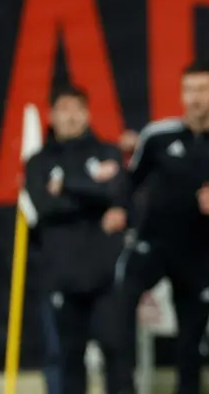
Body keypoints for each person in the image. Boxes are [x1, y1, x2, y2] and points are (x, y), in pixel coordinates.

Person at [121, 62, 209, 394]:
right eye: (188, 90)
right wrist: (124, 220)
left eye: (202, 90)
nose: (193, 98)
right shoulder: (157, 136)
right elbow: (128, 186)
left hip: (199, 254)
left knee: (190, 346)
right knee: (116, 313)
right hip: (152, 246)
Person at [24, 86, 132, 394]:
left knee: (117, 351)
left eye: (76, 109)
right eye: (63, 109)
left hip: (106, 275)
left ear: (87, 114)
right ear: (52, 115)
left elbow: (115, 192)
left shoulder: (107, 151)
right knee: (67, 358)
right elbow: (45, 207)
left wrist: (66, 186)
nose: (70, 117)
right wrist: (93, 194)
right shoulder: (39, 161)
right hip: (61, 275)